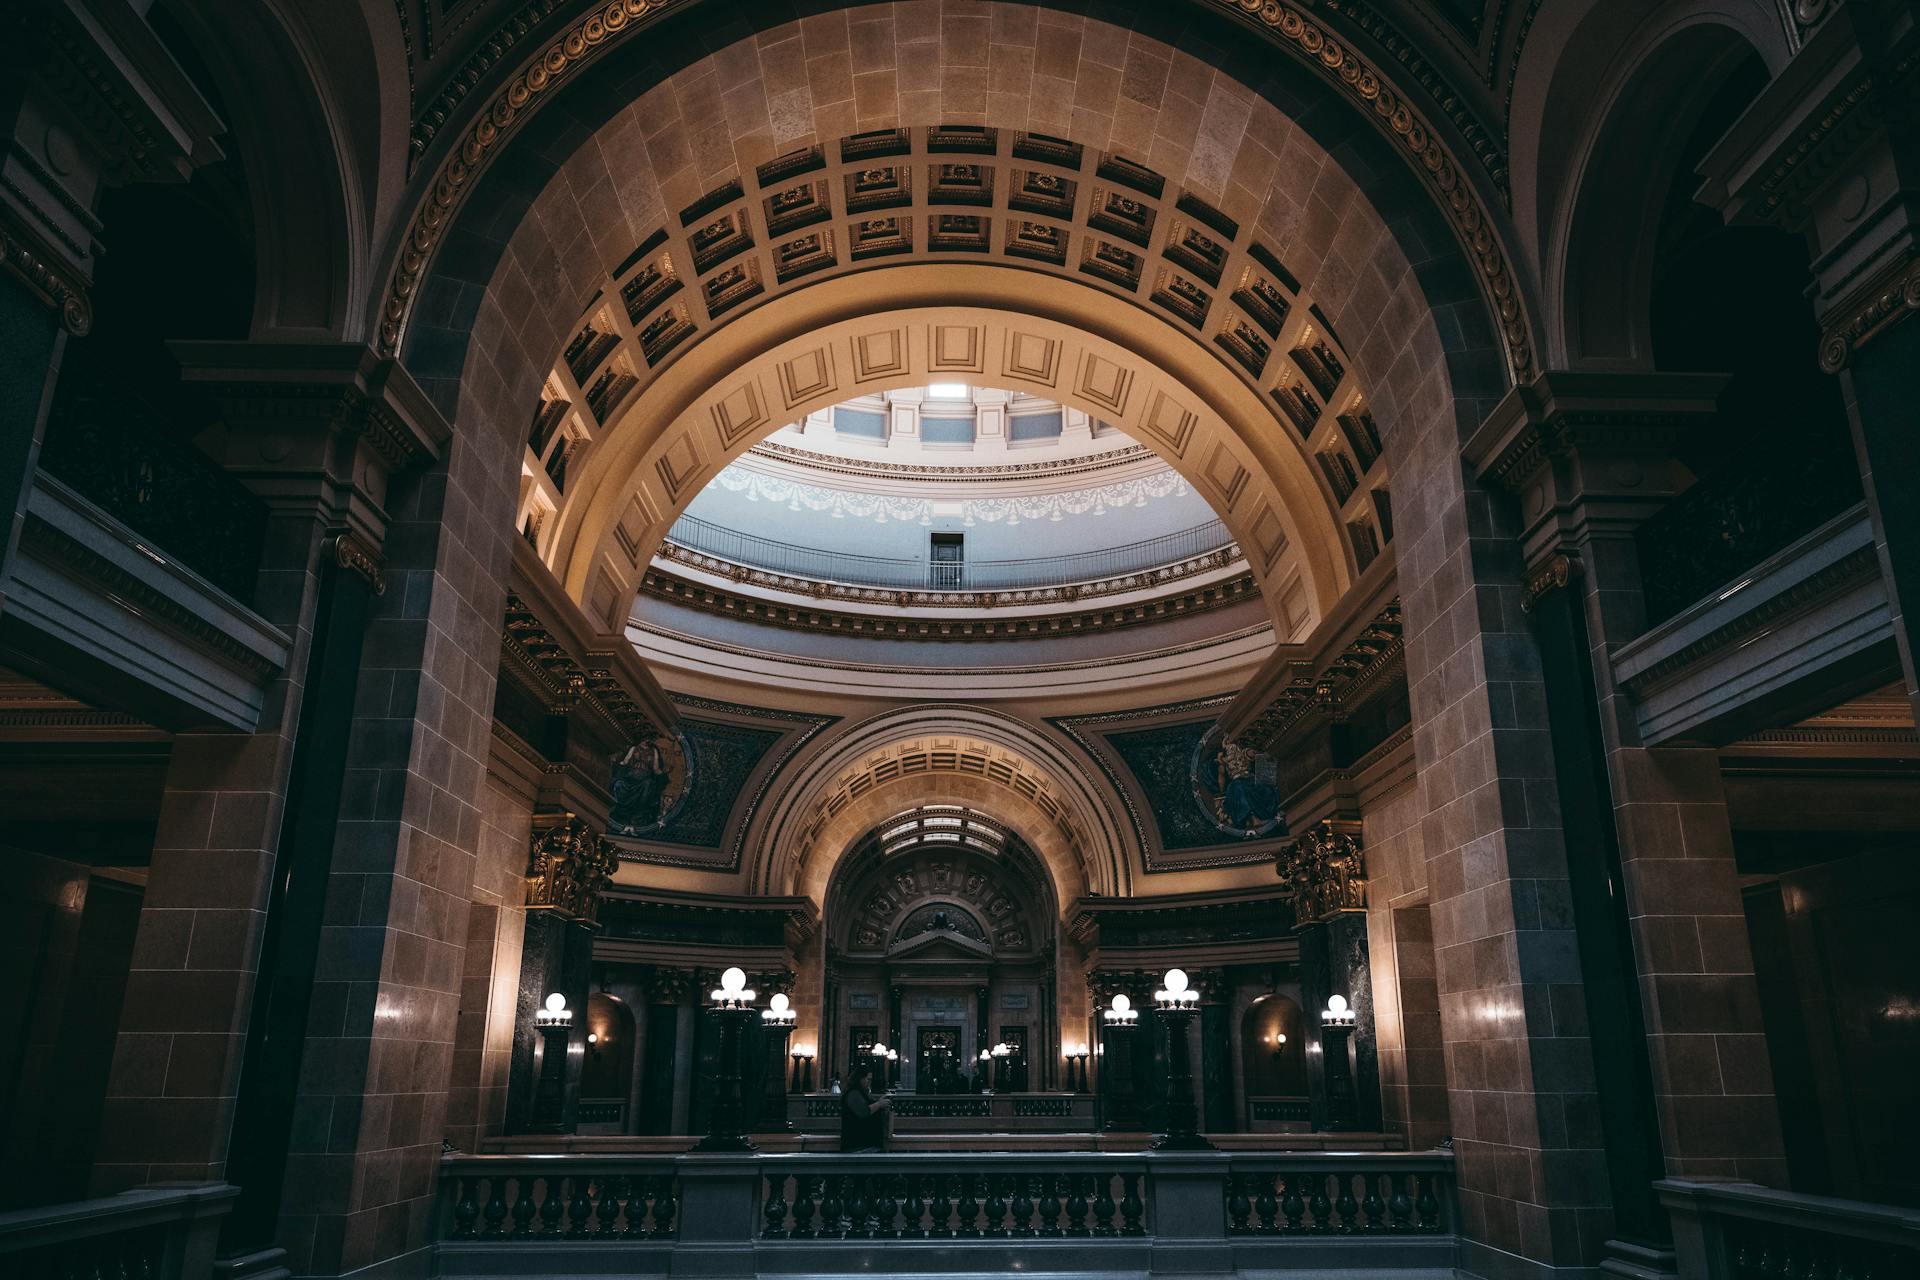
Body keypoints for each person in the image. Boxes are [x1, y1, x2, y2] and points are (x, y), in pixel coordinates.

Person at [839, 1061, 890, 1152]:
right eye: (868, 1079)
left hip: (867, 1144)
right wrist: (879, 1104)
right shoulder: (853, 1094)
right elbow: (864, 1111)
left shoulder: (862, 1093)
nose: (870, 1082)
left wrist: (879, 1103)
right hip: (858, 1145)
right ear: (860, 1078)